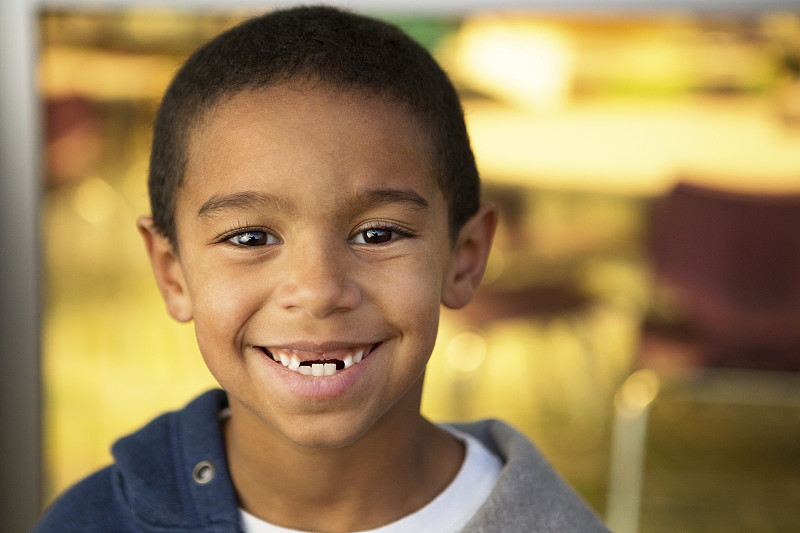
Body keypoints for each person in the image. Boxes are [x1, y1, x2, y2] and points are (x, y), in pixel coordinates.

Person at [34, 6, 610, 532]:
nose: (317, 291)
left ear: (463, 259)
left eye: (378, 234)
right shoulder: (92, 521)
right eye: (251, 237)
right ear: (172, 272)